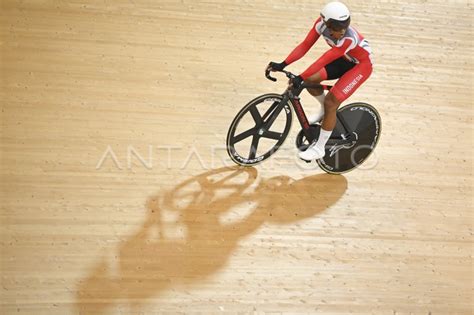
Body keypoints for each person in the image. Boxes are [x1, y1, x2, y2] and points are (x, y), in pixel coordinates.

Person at [266, 1, 373, 161]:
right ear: (327, 24)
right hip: (344, 59)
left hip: (360, 67)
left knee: (331, 102)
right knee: (310, 80)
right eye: (338, 29)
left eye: (344, 28)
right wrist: (283, 64)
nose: (342, 32)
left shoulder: (348, 39)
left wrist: (299, 77)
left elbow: (324, 59)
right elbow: (304, 46)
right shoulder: (320, 25)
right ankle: (325, 111)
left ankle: (319, 148)